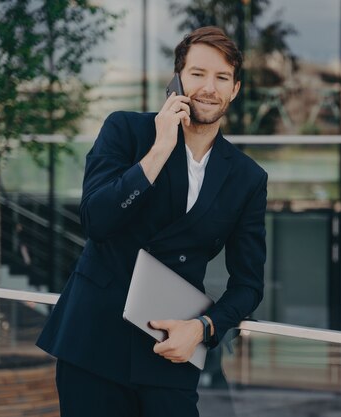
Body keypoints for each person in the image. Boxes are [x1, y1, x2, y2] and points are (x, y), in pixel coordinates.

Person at [36, 26, 268, 417]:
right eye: (198, 74)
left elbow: (248, 284)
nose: (209, 87)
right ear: (177, 79)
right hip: (93, 339)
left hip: (170, 345)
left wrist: (204, 328)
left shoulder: (248, 177)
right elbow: (96, 220)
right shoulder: (127, 130)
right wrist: (160, 150)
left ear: (234, 90)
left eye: (221, 77)